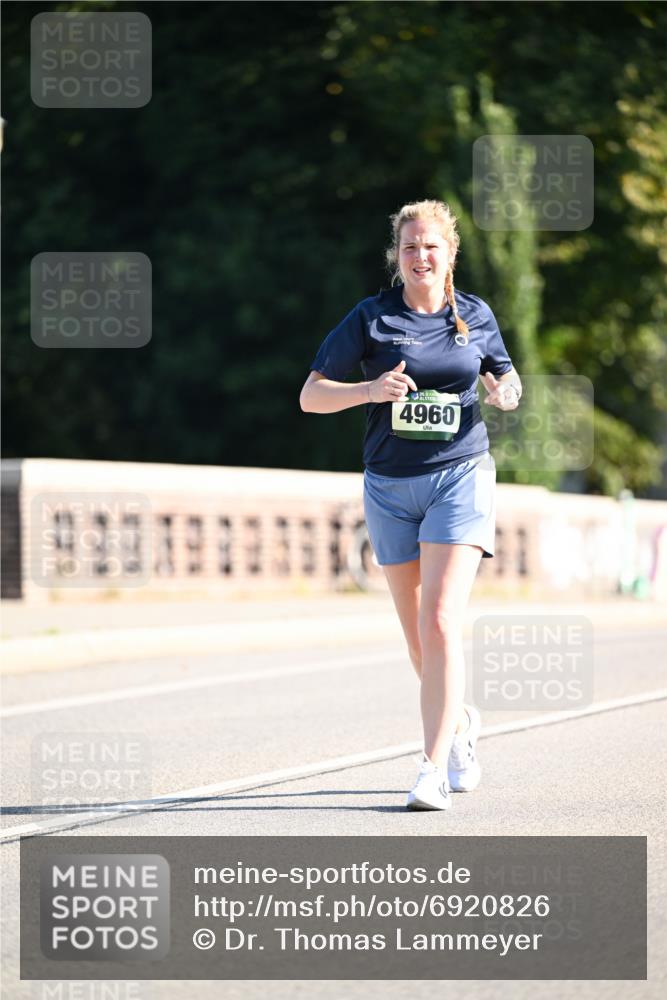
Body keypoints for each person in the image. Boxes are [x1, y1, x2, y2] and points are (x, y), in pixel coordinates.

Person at [300, 199, 522, 811]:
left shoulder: (474, 314)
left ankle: (431, 769)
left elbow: (505, 375)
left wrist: (506, 392)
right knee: (418, 642)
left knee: (441, 620)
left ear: (450, 254)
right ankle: (462, 722)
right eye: (409, 247)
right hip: (390, 487)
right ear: (396, 256)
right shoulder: (371, 317)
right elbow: (310, 397)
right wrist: (370, 390)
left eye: (430, 246)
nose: (420, 255)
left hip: (460, 475)